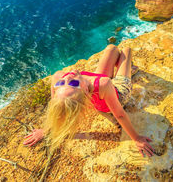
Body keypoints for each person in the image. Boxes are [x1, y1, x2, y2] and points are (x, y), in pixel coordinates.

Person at [23, 44, 154, 157]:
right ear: (85, 91)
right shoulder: (103, 83)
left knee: (112, 48)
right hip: (118, 93)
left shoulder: (58, 78)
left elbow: (58, 111)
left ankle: (124, 68)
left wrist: (45, 130)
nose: (67, 78)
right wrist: (136, 138)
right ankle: (128, 69)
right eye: (73, 84)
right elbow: (119, 114)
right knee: (126, 50)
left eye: (62, 83)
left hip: (98, 85)